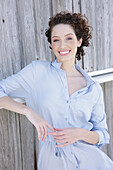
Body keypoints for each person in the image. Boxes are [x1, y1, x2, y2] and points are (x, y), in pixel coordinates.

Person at [0, 11, 113, 170]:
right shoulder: (37, 72)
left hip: (92, 162)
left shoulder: (93, 88)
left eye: (69, 38)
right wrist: (28, 111)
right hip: (52, 162)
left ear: (79, 41)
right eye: (56, 40)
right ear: (51, 44)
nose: (62, 45)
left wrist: (79, 134)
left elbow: (102, 135)